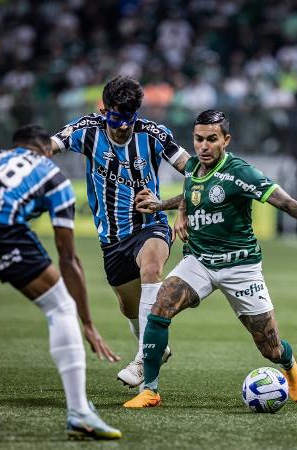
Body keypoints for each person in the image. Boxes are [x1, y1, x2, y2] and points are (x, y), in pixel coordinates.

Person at [124, 110, 297, 408]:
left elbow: (286, 203)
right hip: (200, 261)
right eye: (198, 139)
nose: (203, 146)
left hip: (240, 267)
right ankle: (150, 390)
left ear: (226, 140)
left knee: (269, 347)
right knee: (160, 308)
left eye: (211, 139)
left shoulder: (240, 172)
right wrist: (167, 206)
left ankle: (289, 367)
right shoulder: (195, 167)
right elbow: (192, 193)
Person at [0, 124, 122, 439]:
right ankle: (80, 413)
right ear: (45, 149)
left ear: (14, 146)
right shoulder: (52, 175)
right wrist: (87, 321)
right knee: (60, 307)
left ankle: (81, 412)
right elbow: (68, 258)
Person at [50, 76, 190, 387]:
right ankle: (155, 346)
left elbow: (195, 171)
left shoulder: (153, 134)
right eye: (116, 118)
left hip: (149, 225)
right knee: (130, 308)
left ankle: (143, 359)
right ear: (104, 111)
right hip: (112, 240)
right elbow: (50, 146)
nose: (123, 126)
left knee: (152, 269)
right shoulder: (87, 129)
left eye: (129, 118)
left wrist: (176, 206)